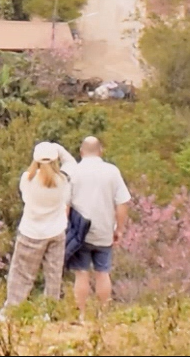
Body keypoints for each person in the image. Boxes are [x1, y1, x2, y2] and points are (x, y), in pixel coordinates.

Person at [0, 141, 78, 317]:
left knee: (22, 274)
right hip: (56, 231)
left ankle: (12, 311)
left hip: (31, 232)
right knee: (53, 274)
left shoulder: (27, 179)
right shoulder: (63, 180)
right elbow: (71, 163)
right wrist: (57, 148)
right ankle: (49, 312)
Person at [67, 136, 132, 319]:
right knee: (103, 272)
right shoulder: (112, 172)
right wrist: (119, 228)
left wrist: (66, 230)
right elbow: (122, 203)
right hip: (105, 230)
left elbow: (66, 204)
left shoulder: (74, 172)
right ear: (100, 151)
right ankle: (103, 314)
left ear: (81, 152)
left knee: (81, 273)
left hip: (81, 232)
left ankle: (80, 314)